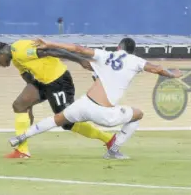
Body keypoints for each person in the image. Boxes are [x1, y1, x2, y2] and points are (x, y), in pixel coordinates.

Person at [9, 38, 183, 159]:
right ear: (132, 51)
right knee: (138, 114)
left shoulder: (105, 55)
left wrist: (50, 43)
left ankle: (20, 137)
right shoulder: (135, 60)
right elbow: (157, 69)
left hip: (83, 104)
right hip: (104, 114)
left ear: (118, 48)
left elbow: (77, 48)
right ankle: (113, 150)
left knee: (56, 119)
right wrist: (172, 74)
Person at [0, 39, 115, 158]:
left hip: (59, 82)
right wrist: (29, 105)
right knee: (19, 105)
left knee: (68, 123)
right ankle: (22, 151)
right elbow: (28, 77)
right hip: (42, 82)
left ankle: (108, 138)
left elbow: (51, 51)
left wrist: (80, 60)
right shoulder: (15, 58)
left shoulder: (22, 50)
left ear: (2, 52)